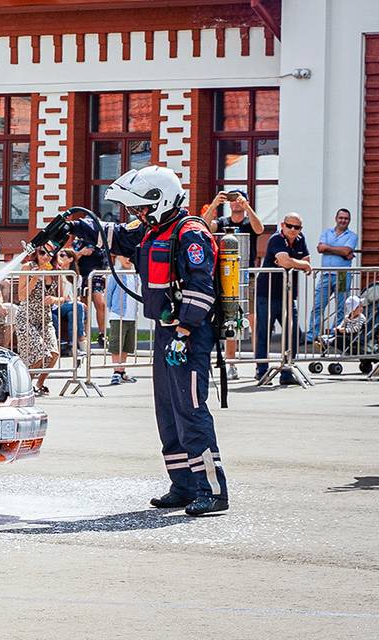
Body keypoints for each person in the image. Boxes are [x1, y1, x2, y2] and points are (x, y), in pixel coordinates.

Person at [68, 165, 228, 516]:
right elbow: (116, 236)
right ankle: (184, 485)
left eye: (141, 206)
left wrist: (184, 331)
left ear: (160, 200)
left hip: (189, 334)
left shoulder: (190, 234)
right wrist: (75, 225)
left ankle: (213, 491)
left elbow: (201, 289)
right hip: (167, 331)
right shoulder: (154, 230)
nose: (137, 214)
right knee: (168, 411)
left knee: (191, 409)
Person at [203, 189, 263, 380]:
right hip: (226, 277)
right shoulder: (222, 223)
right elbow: (204, 226)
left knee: (253, 320)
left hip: (246, 276)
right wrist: (214, 204)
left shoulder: (248, 222)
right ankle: (231, 364)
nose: (235, 203)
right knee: (230, 319)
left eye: (239, 199)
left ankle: (259, 364)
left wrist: (248, 207)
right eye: (232, 200)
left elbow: (260, 229)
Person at [253, 213, 311, 385]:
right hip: (267, 293)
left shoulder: (300, 239)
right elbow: (288, 263)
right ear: (282, 225)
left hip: (287, 294)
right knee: (264, 333)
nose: (293, 230)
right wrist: (299, 263)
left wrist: (294, 262)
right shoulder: (276, 239)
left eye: (297, 227)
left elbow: (306, 259)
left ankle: (287, 372)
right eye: (289, 226)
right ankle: (262, 371)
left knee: (293, 333)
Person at [14, 247, 61, 395]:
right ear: (36, 254)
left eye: (49, 253)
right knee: (41, 354)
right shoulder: (27, 267)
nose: (45, 256)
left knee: (54, 353)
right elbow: (21, 296)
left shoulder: (55, 271)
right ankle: (24, 386)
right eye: (42, 253)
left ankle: (39, 384)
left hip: (45, 319)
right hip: (26, 318)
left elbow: (64, 297)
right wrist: (35, 277)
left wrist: (54, 299)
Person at [307, 208, 358, 342]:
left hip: (342, 275)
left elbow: (346, 250)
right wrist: (341, 251)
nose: (343, 220)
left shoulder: (352, 236)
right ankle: (311, 336)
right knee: (318, 306)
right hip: (325, 274)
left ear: (349, 220)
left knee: (341, 307)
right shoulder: (326, 232)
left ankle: (334, 336)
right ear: (336, 218)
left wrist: (329, 248)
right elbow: (320, 248)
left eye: (346, 218)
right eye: (341, 218)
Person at [105, 254, 141, 385]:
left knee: (126, 345)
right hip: (118, 314)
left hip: (131, 315)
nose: (128, 259)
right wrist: (112, 309)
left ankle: (121, 370)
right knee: (116, 345)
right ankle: (116, 370)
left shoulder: (135, 275)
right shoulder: (117, 274)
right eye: (124, 256)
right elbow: (108, 293)